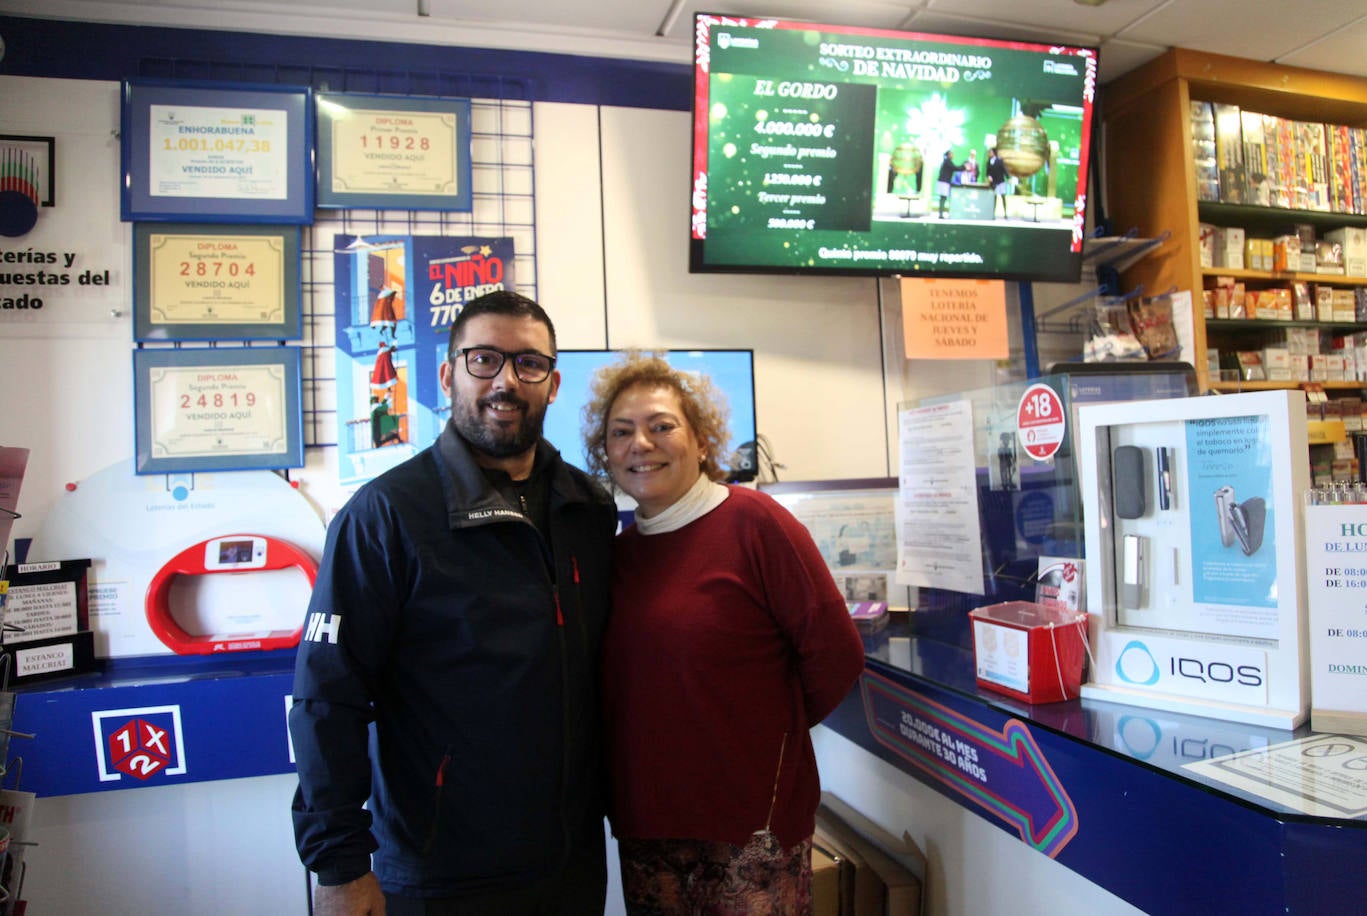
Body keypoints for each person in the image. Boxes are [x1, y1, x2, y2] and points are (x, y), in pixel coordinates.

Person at [290, 290, 618, 915]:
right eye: (484, 359)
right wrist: (338, 866)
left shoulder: (588, 507)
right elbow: (326, 699)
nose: (506, 381)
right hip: (439, 871)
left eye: (529, 364)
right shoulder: (386, 515)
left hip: (571, 864)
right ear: (448, 376)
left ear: (552, 384)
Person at [580, 352, 867, 914]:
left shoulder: (756, 523)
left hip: (751, 827)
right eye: (621, 431)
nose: (641, 443)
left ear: (702, 441)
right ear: (605, 452)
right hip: (649, 826)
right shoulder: (617, 555)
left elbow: (837, 657)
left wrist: (764, 733)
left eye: (662, 426)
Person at [987, 146, 1010, 219]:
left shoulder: (999, 160)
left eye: (990, 152)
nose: (989, 154)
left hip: (1000, 182)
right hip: (994, 182)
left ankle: (1005, 213)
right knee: (994, 198)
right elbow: (988, 172)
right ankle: (992, 214)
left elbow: (1004, 169)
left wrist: (1008, 177)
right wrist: (989, 176)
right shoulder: (989, 161)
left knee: (1003, 197)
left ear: (994, 153)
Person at [936, 150, 956, 218]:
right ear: (948, 155)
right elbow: (954, 168)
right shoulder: (947, 162)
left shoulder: (946, 161)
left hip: (944, 182)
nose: (953, 155)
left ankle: (941, 213)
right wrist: (964, 167)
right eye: (951, 154)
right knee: (943, 198)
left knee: (943, 198)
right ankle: (941, 214)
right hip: (944, 182)